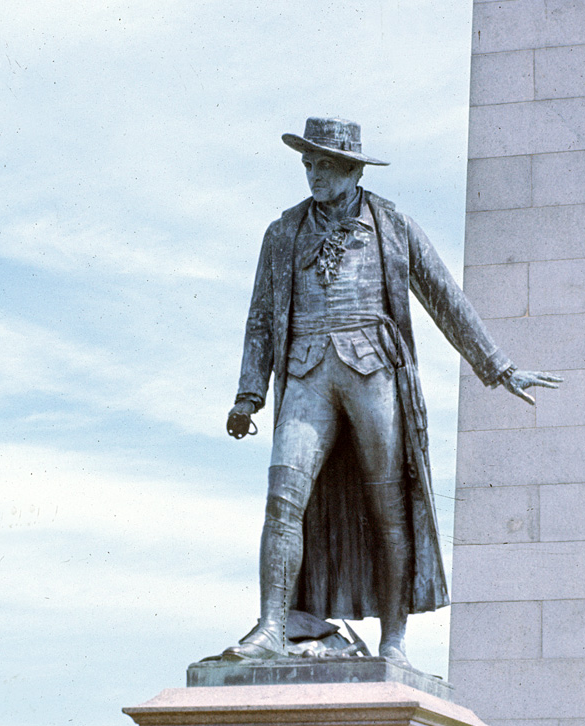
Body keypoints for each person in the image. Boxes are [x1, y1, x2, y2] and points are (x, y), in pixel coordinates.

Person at [225, 117, 560, 666]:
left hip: (374, 371)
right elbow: (261, 318)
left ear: (353, 169)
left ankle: (395, 640)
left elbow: (443, 295)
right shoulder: (282, 232)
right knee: (282, 498)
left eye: (324, 164)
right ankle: (270, 626)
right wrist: (248, 395)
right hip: (307, 374)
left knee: (390, 507)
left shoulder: (392, 223)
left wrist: (498, 367)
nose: (313, 174)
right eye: (308, 163)